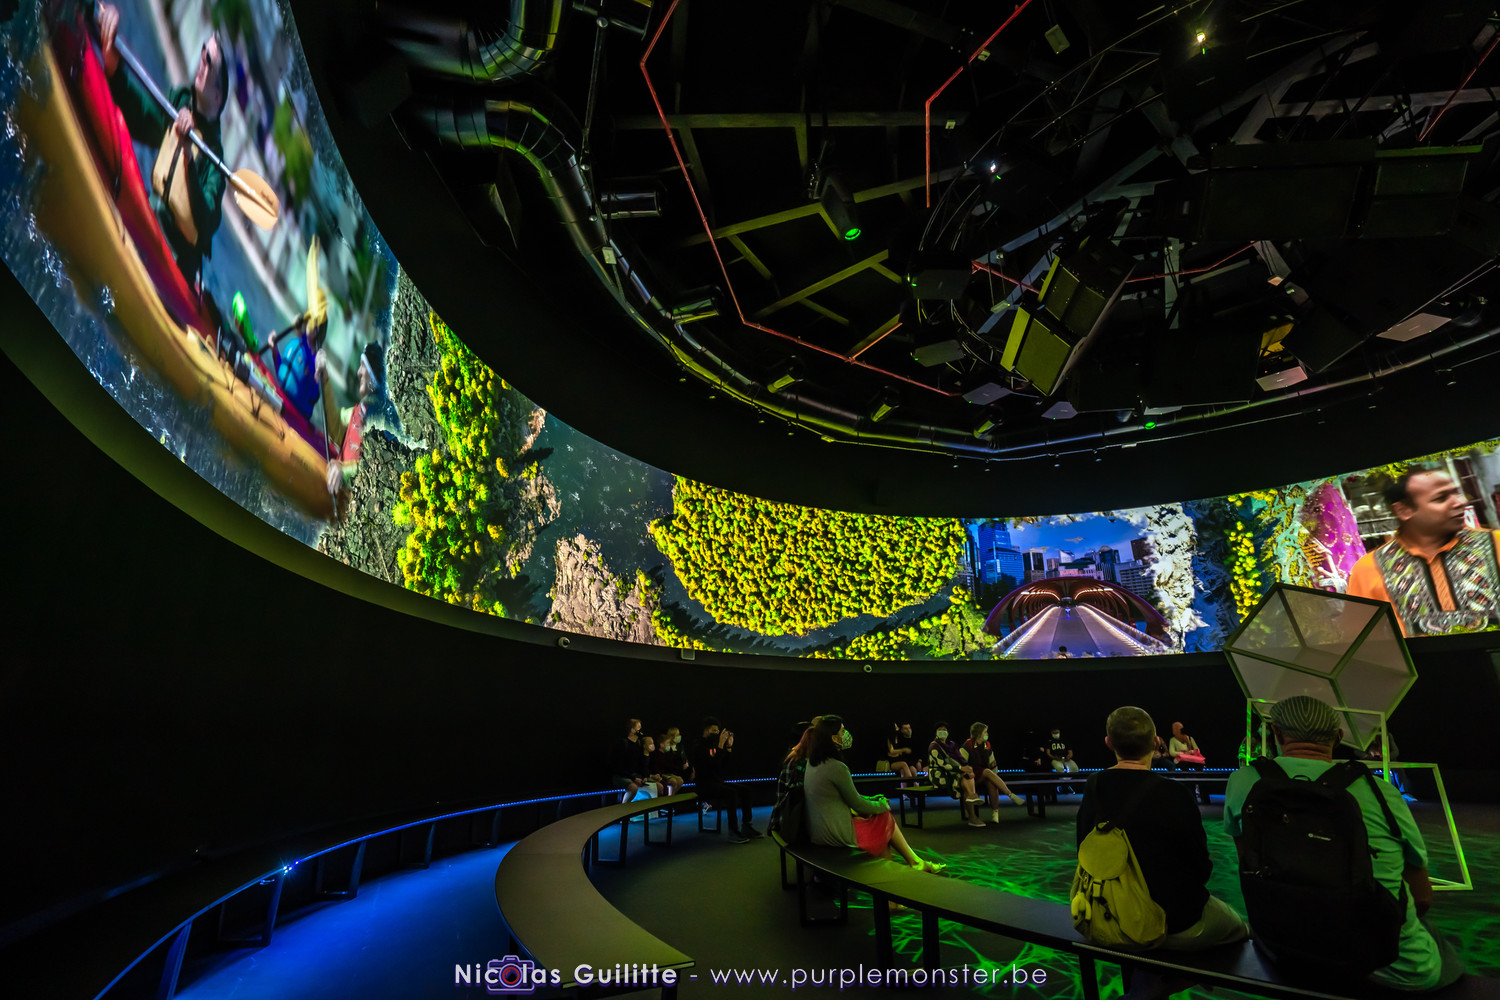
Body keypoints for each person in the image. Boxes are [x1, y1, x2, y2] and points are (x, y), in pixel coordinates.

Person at [1224, 696, 1465, 992]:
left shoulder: (1242, 782)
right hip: (1384, 966)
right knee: (1439, 943)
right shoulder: (1382, 793)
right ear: (1338, 738)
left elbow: (1248, 863)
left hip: (1282, 951)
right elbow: (1422, 897)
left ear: (1276, 733)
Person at [1077, 707, 1248, 997]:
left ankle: (1152, 979)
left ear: (1109, 742)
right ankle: (1167, 982)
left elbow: (1083, 849)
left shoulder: (1093, 786)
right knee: (1240, 930)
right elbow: (1201, 868)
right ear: (1156, 742)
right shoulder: (1176, 794)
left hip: (1106, 913)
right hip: (1173, 922)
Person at [97, 2, 228, 285]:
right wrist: (113, 66)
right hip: (150, 221)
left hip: (176, 263)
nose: (201, 60)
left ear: (218, 97)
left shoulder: (216, 161)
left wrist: (188, 157)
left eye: (209, 60)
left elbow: (205, 222)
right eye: (203, 52)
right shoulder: (180, 100)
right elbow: (143, 118)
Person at [1346, 469, 1500, 636]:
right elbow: (1358, 639)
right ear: (1403, 510)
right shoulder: (1368, 569)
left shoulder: (1496, 543)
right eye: (1441, 498)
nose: (1460, 502)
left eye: (1456, 492)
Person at [804, 716, 942, 872]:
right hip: (835, 834)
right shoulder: (836, 767)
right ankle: (911, 863)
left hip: (820, 831)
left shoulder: (813, 763)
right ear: (833, 738)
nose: (846, 734)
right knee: (884, 818)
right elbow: (857, 804)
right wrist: (881, 805)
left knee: (880, 820)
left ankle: (904, 866)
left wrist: (872, 800)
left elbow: (845, 798)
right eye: (842, 731)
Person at [324, 343, 425, 496]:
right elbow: (335, 426)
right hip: (339, 488)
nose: (358, 372)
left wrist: (344, 473)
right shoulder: (361, 409)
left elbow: (377, 464)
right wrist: (325, 381)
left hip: (357, 496)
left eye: (363, 365)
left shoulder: (382, 417)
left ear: (372, 373)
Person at [692, 717, 759, 844]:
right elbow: (711, 765)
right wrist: (721, 746)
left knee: (746, 790)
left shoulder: (714, 745)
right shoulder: (698, 747)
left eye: (718, 731)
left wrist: (728, 748)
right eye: (714, 730)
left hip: (716, 782)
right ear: (706, 730)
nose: (717, 733)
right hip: (704, 785)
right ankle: (733, 831)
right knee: (731, 793)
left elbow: (724, 766)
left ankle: (747, 826)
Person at [960, 722, 1026, 822]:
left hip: (983, 774)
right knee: (986, 771)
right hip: (970, 777)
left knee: (992, 784)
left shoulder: (987, 745)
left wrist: (993, 767)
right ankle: (1010, 794)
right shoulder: (967, 745)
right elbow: (962, 764)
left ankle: (995, 813)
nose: (987, 734)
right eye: (985, 732)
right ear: (979, 733)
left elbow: (992, 764)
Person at [927, 722, 984, 827]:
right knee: (965, 778)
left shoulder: (952, 744)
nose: (942, 732)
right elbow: (942, 764)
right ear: (935, 732)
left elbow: (960, 758)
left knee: (967, 776)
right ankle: (972, 806)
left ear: (948, 732)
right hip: (940, 774)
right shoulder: (933, 746)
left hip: (954, 772)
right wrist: (961, 768)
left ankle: (971, 802)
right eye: (940, 730)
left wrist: (967, 768)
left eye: (944, 730)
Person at [607, 718, 648, 803]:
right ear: (632, 730)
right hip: (620, 776)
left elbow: (641, 762)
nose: (641, 730)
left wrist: (644, 776)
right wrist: (633, 778)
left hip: (634, 775)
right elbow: (617, 766)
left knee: (658, 786)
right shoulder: (622, 743)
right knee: (633, 788)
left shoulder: (639, 743)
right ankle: (624, 808)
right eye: (639, 728)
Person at [650, 731, 686, 797]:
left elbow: (670, 766)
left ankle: (672, 796)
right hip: (660, 774)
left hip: (666, 773)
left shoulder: (667, 754)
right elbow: (656, 768)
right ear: (662, 745)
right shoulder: (656, 755)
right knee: (673, 781)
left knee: (680, 780)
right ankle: (668, 798)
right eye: (667, 743)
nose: (669, 745)